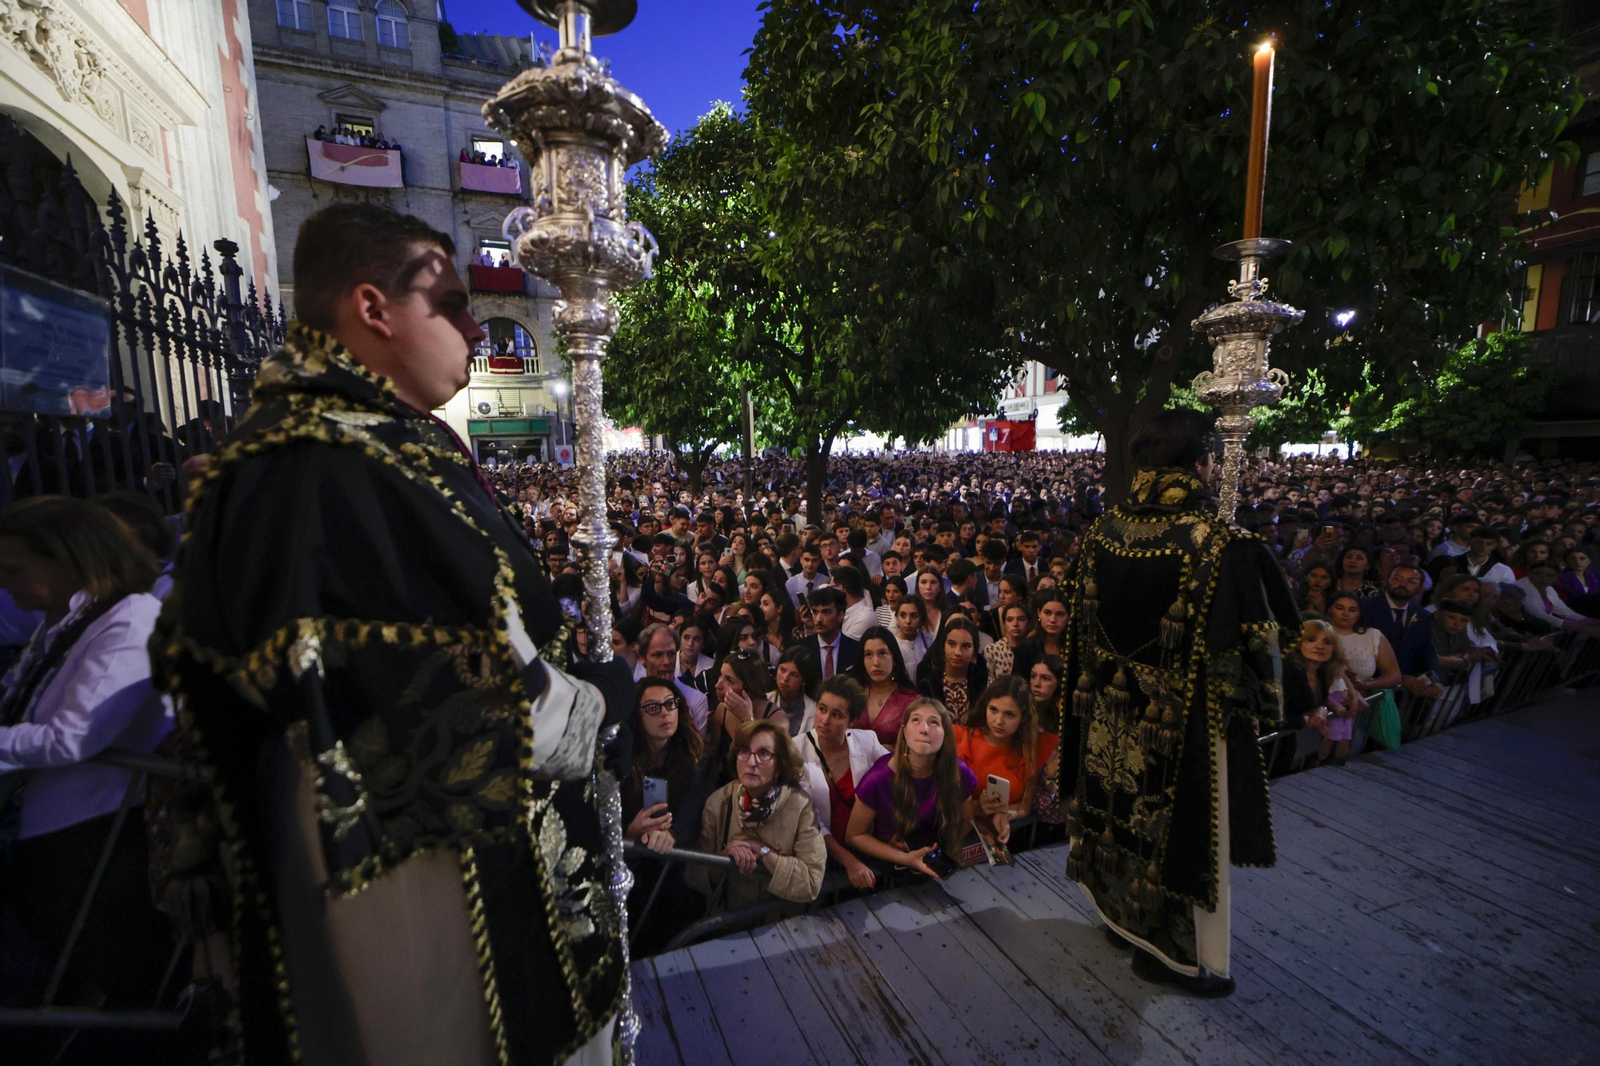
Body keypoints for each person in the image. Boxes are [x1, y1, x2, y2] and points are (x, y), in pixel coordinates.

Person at [151, 204, 633, 1065]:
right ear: (372, 308)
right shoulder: (327, 469)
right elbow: (473, 707)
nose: (474, 329)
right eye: (448, 302)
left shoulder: (373, 447)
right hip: (421, 889)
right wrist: (605, 702)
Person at [1066, 409, 1296, 998]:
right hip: (1182, 724)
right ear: (1202, 464)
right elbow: (1270, 638)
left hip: (1108, 721)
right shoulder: (1222, 543)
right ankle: (1179, 959)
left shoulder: (1101, 532)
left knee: (1116, 809)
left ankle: (1119, 921)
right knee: (1182, 832)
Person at [0, 498, 175, 1064]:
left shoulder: (129, 620)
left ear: (69, 560)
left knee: (96, 993)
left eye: (13, 572)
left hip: (90, 839)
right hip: (56, 834)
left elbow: (71, 736)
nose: (5, 588)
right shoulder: (70, 621)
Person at [845, 697, 1006, 880]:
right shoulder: (878, 778)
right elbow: (854, 835)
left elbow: (965, 822)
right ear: (904, 730)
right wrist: (906, 858)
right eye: (916, 720)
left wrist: (941, 847)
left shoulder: (958, 771)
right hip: (891, 864)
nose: (924, 729)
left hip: (937, 853)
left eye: (934, 722)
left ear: (946, 733)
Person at [686, 719, 826, 911]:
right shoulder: (719, 803)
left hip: (782, 924)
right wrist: (724, 859)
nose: (751, 762)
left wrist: (762, 851)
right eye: (744, 751)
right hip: (728, 921)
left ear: (779, 765)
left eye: (764, 754)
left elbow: (811, 882)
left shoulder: (800, 807)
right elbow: (695, 875)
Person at [797, 675, 889, 890]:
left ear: (852, 721)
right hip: (822, 856)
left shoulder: (867, 741)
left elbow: (896, 781)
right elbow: (811, 822)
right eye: (821, 709)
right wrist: (849, 862)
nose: (825, 719)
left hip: (867, 849)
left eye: (836, 714)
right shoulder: (796, 751)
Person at [953, 675, 1057, 819]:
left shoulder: (1031, 748)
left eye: (1009, 714)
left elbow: (1024, 806)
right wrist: (975, 807)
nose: (999, 721)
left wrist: (1005, 816)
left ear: (1023, 718)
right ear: (985, 707)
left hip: (1004, 832)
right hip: (959, 827)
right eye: (993, 710)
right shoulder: (960, 738)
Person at [846, 625, 920, 747]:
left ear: (894, 658)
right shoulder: (850, 694)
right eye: (868, 654)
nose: (876, 662)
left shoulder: (910, 700)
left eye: (882, 653)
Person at [915, 615, 988, 719]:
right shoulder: (928, 685)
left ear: (974, 650)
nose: (957, 652)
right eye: (952, 644)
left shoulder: (984, 682)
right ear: (943, 646)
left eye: (966, 646)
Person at [797, 586, 861, 680]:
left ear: (840, 615)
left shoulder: (856, 650)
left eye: (826, 612)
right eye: (815, 612)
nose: (818, 619)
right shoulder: (801, 649)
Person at [768, 644, 818, 737]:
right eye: (782, 670)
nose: (785, 678)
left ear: (804, 680)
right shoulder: (765, 700)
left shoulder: (813, 709)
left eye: (794, 675)